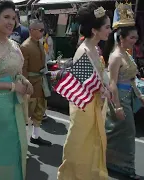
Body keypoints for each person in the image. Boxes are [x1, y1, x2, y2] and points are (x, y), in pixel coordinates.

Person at [0, 1, 33, 179]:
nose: (11, 22)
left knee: (18, 143)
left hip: (15, 101)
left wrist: (25, 81)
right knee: (2, 148)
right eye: (6, 18)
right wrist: (11, 86)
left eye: (13, 18)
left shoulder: (14, 45)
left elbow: (17, 72)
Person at [57, 3, 112, 179]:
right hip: (84, 106)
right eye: (107, 27)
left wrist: (105, 88)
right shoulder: (84, 50)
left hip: (95, 103)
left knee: (93, 144)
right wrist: (103, 89)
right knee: (79, 144)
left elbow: (99, 77)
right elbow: (87, 83)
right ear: (95, 30)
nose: (110, 31)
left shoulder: (95, 48)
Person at [102, 2, 144, 179]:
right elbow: (112, 83)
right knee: (126, 132)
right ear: (122, 38)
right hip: (118, 97)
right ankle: (124, 167)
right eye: (132, 38)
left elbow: (132, 78)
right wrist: (117, 106)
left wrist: (140, 95)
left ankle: (113, 162)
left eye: (136, 38)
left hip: (128, 97)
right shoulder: (116, 56)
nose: (135, 41)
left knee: (121, 132)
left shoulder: (127, 54)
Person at [20, 19, 51, 146]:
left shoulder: (39, 43)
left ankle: (35, 136)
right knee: (26, 113)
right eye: (41, 30)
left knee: (39, 110)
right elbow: (23, 69)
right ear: (32, 30)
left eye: (44, 30)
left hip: (41, 83)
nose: (43, 33)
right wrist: (26, 85)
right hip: (31, 84)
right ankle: (21, 140)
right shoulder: (25, 46)